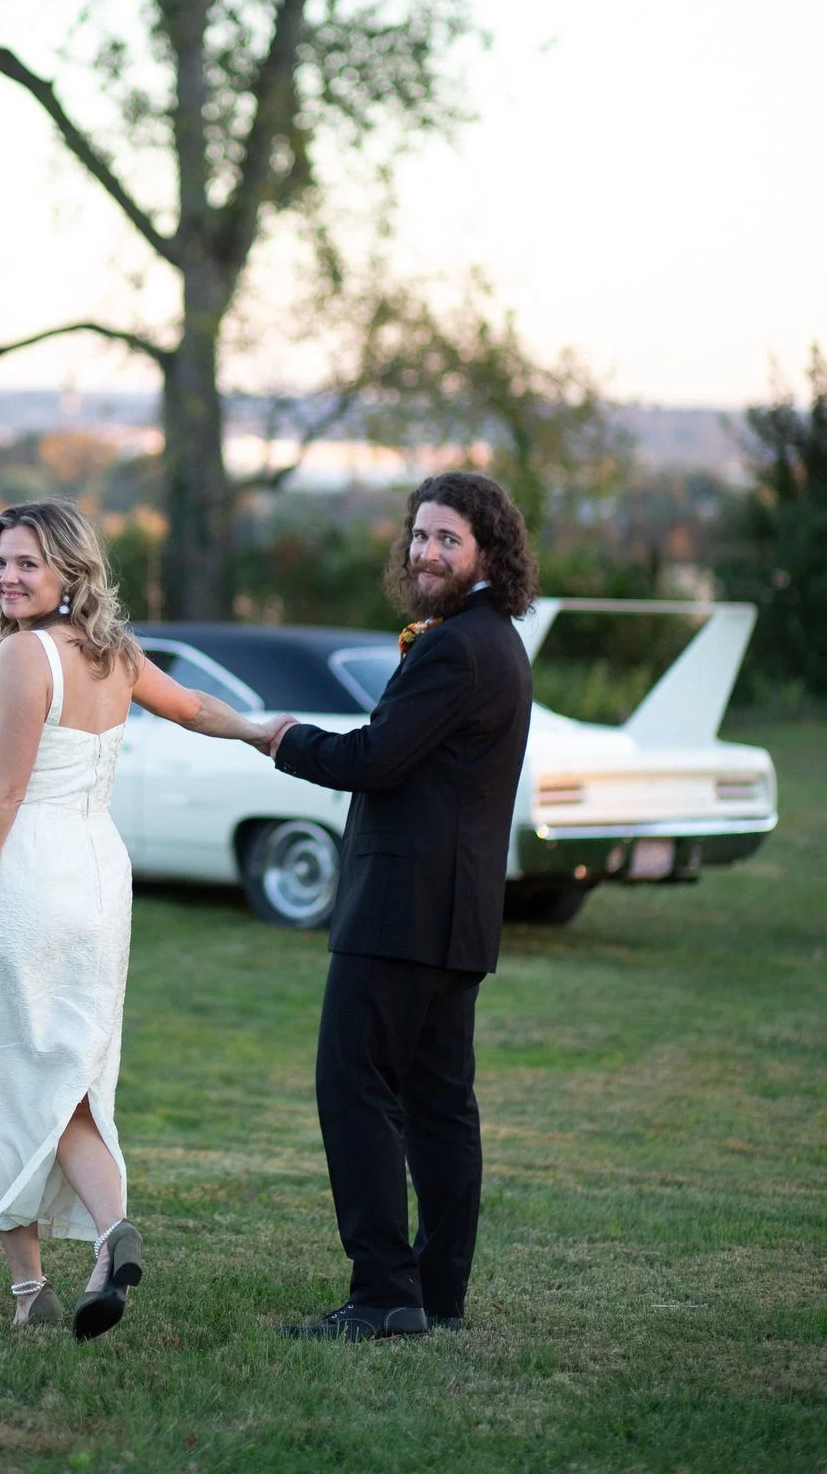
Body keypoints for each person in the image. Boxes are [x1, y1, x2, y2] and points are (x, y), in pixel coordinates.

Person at [0, 499, 287, 1340]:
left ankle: (29, 1290)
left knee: (2, 1076)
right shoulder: (109, 650)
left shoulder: (26, 654)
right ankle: (112, 1234)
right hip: (96, 878)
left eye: (28, 563)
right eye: (0, 560)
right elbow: (191, 707)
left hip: (24, 878)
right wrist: (258, 732)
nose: (7, 576)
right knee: (68, 1073)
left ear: (69, 572)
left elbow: (5, 795)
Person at [264, 471, 537, 1342]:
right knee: (438, 1104)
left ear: (487, 551)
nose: (425, 552)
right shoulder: (495, 641)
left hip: (400, 910)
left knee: (354, 1089)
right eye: (419, 535)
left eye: (447, 538)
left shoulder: (457, 647)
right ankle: (436, 1292)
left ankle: (385, 1292)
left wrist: (277, 737)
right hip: (455, 915)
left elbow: (375, 759)